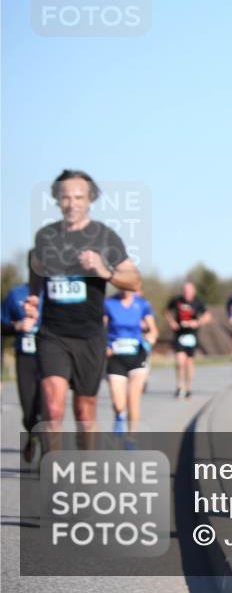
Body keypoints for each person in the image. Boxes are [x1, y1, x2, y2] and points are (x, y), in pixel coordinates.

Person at [24, 169, 141, 449]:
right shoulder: (46, 237)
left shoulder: (104, 237)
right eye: (65, 197)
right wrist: (33, 299)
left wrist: (104, 270)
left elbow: (134, 279)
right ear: (57, 200)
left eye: (78, 197)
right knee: (53, 407)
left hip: (89, 336)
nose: (72, 203)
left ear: (90, 200)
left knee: (85, 411)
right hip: (53, 333)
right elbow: (36, 271)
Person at [104, 284, 158, 444]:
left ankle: (131, 438)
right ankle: (119, 416)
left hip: (137, 354)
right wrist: (104, 345)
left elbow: (153, 329)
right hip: (115, 356)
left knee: (133, 398)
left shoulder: (142, 304)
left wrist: (151, 338)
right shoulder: (108, 303)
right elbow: (100, 327)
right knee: (119, 403)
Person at [2, 266, 43, 463]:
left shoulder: (54, 296)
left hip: (50, 358)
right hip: (25, 358)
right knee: (28, 411)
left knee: (46, 409)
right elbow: (2, 325)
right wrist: (18, 326)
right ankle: (32, 436)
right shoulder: (15, 294)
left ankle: (47, 452)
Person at [164, 282, 211, 399]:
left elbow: (208, 316)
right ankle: (179, 386)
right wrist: (172, 322)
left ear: (193, 292)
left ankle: (188, 388)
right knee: (180, 361)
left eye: (189, 291)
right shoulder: (177, 300)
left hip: (192, 335)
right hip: (179, 334)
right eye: (185, 291)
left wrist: (197, 322)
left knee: (189, 363)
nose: (187, 293)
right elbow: (167, 311)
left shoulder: (197, 302)